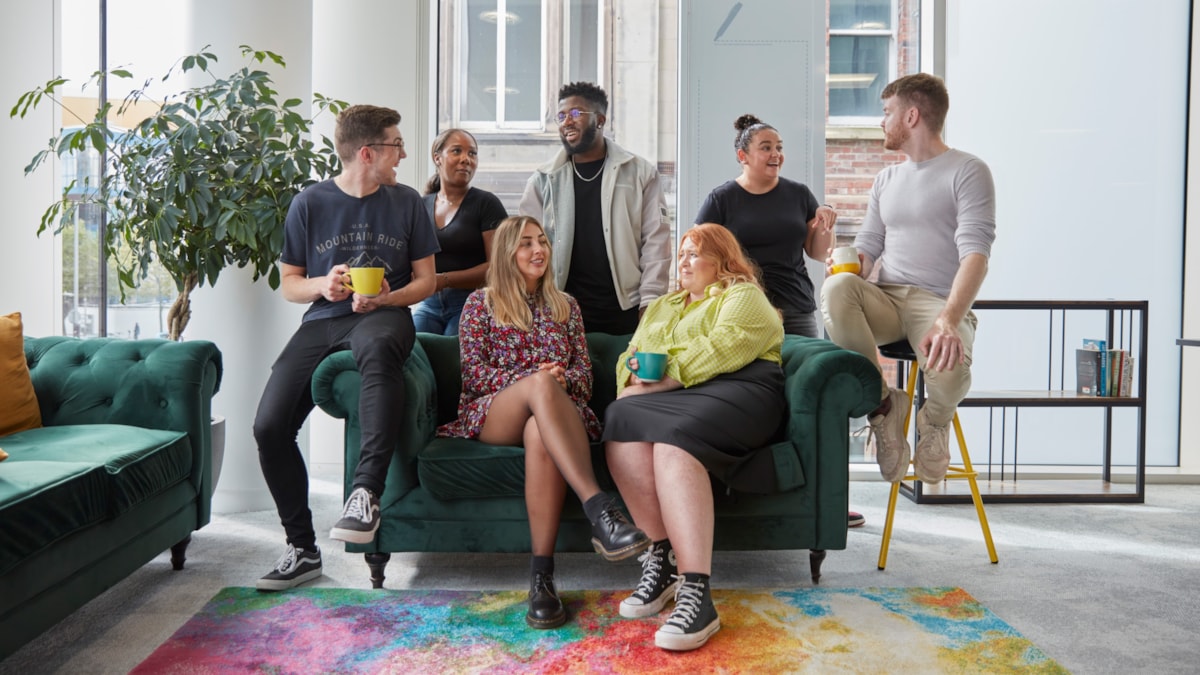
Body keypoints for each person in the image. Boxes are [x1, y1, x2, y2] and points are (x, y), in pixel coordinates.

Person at [252, 104, 440, 592]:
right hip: (322, 320)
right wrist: (323, 285)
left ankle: (365, 495)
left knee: (379, 353)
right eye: (396, 145)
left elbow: (426, 282)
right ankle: (301, 548)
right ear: (367, 152)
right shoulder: (309, 204)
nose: (403, 154)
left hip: (384, 316)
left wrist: (386, 298)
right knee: (269, 427)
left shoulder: (407, 204)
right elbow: (290, 284)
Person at [437, 215, 650, 629]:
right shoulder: (481, 303)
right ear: (506, 254)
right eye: (525, 244)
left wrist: (561, 379)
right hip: (496, 412)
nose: (538, 250)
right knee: (537, 389)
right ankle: (600, 509)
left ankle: (542, 579)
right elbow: (475, 375)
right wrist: (535, 381)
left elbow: (585, 381)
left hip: (555, 416)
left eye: (542, 242)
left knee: (540, 427)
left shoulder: (565, 305)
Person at [604, 223, 786, 651]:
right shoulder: (663, 306)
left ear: (722, 260)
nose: (682, 261)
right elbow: (628, 357)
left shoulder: (742, 294)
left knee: (674, 439)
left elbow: (727, 345)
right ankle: (663, 558)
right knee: (620, 421)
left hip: (741, 389)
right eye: (680, 254)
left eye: (693, 253)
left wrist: (667, 374)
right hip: (680, 394)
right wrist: (632, 376)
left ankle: (697, 592)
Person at [820, 73, 996, 486]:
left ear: (912, 115)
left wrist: (949, 320)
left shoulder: (968, 171)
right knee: (836, 289)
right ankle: (884, 407)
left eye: (887, 113)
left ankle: (934, 422)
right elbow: (870, 245)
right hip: (887, 298)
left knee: (950, 368)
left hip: (936, 302)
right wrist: (850, 263)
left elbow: (977, 254)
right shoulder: (886, 180)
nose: (882, 122)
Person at [696, 113, 866, 530]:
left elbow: (815, 251)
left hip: (796, 311)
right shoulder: (722, 200)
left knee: (807, 402)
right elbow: (701, 252)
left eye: (779, 147)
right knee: (752, 401)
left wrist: (826, 224)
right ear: (743, 156)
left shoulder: (798, 194)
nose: (776, 155)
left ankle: (826, 497)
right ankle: (749, 490)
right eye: (766, 148)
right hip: (743, 315)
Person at [518, 81, 672, 335]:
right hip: (560, 310)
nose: (567, 121)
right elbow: (523, 246)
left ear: (600, 120)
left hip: (626, 309)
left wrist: (651, 302)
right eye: (561, 115)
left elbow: (656, 244)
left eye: (576, 113)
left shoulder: (639, 173)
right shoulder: (543, 179)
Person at [412, 128, 509, 335]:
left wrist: (444, 280)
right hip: (429, 303)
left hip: (472, 303)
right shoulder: (421, 205)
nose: (466, 159)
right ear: (437, 158)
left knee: (451, 355)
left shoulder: (486, 204)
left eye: (472, 153)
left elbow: (498, 268)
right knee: (412, 346)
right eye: (457, 151)